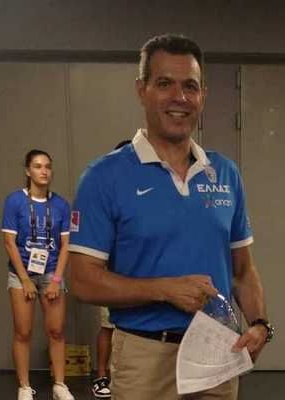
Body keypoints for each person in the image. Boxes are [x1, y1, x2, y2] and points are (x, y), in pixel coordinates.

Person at [68, 34, 273, 400]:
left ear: (202, 95)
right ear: (142, 90)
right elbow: (83, 281)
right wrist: (164, 290)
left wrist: (260, 324)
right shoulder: (104, 177)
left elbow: (243, 271)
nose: (179, 97)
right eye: (164, 84)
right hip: (144, 356)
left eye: (190, 86)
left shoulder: (225, 173)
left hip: (217, 355)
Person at [1, 149, 75, 400]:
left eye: (47, 166)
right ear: (28, 171)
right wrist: (24, 280)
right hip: (21, 274)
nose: (44, 171)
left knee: (56, 331)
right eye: (37, 166)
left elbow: (65, 245)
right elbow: (9, 243)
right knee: (23, 332)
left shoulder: (61, 205)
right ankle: (24, 387)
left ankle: (60, 385)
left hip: (51, 273)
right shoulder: (15, 201)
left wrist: (56, 280)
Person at [91, 140, 130, 400]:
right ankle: (102, 375)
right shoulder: (106, 193)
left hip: (141, 280)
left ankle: (121, 377)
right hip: (112, 279)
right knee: (108, 327)